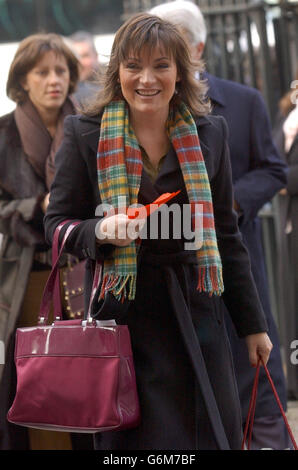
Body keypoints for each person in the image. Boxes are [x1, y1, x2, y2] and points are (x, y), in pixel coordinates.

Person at [44, 13, 273, 450]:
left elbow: (226, 237)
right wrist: (102, 230)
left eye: (161, 66)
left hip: (198, 317)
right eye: (133, 66)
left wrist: (253, 326)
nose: (147, 79)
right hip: (122, 319)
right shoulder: (84, 134)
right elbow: (56, 227)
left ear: (181, 73)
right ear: (118, 72)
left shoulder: (211, 133)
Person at [149, 0, 290, 450]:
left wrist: (230, 204)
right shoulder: (139, 111)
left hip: (233, 256)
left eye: (171, 47)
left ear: (199, 47)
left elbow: (273, 169)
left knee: (255, 366)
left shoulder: (243, 102)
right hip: (173, 274)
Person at [0, 33, 80, 450]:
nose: (54, 80)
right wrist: (37, 205)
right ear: (22, 81)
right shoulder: (4, 134)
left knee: (94, 377)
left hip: (88, 270)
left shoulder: (90, 124)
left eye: (61, 71)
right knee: (42, 378)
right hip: (29, 275)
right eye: (42, 72)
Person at [273, 76, 298, 401]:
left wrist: (282, 180)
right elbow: (271, 156)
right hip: (289, 222)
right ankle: (294, 379)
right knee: (291, 300)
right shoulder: (287, 115)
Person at [68, 30, 104, 106]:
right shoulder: (64, 92)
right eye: (74, 57)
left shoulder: (110, 89)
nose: (79, 62)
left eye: (84, 56)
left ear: (96, 57)